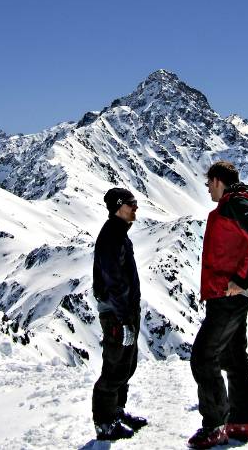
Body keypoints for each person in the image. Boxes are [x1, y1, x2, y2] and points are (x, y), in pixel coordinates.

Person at [188, 161, 248, 449]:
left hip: (228, 296)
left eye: (207, 184)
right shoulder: (235, 203)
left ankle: (215, 426)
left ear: (216, 181)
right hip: (229, 294)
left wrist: (242, 277)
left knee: (203, 357)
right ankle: (242, 422)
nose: (207, 191)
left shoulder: (234, 204)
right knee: (233, 357)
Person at [91, 187, 148, 441]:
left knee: (126, 364)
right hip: (116, 312)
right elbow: (113, 279)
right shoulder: (111, 236)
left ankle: (116, 410)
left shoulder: (120, 233)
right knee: (115, 366)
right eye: (131, 203)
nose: (136, 207)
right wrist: (124, 318)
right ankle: (104, 422)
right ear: (118, 205)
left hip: (125, 309)